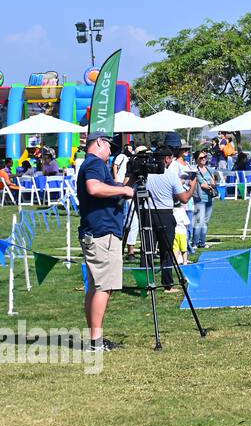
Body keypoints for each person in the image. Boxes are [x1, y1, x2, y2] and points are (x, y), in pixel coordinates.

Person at [76, 132, 135, 352]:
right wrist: (123, 189)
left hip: (96, 232)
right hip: (102, 234)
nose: (111, 151)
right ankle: (96, 343)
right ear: (99, 142)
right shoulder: (94, 164)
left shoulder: (94, 165)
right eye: (109, 146)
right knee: (104, 287)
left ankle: (95, 339)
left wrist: (130, 181)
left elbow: (112, 192)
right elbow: (94, 188)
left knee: (96, 286)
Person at [138, 143, 196, 292]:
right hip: (165, 213)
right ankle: (167, 284)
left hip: (147, 213)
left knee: (147, 251)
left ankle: (145, 283)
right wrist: (192, 186)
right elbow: (183, 199)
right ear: (167, 159)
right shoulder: (170, 175)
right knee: (167, 251)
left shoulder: (145, 173)